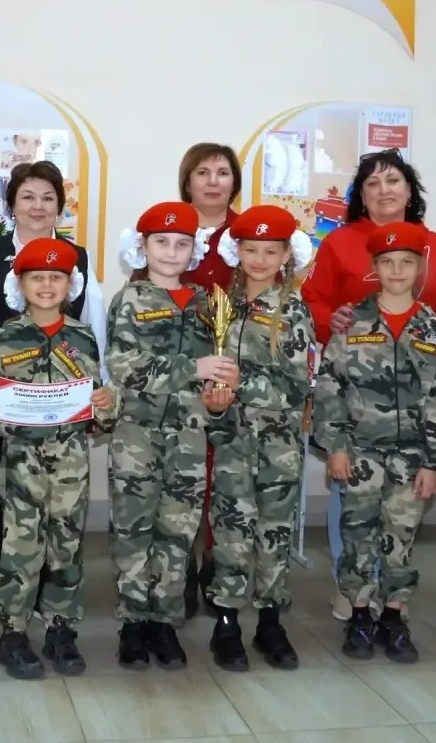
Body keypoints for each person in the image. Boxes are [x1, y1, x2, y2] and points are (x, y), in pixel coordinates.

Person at [300, 147, 436, 621]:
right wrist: (335, 321)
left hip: (416, 405)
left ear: (410, 190)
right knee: (353, 495)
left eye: (393, 180)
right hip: (360, 397)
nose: (384, 190)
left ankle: (392, 591)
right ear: (361, 195)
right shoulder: (340, 242)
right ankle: (351, 585)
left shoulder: (433, 244)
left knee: (402, 504)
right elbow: (314, 299)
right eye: (372, 183)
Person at [0, 238, 118, 680]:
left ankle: (60, 628)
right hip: (21, 461)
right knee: (20, 547)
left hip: (71, 460)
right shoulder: (6, 335)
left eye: (56, 277)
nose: (47, 285)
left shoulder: (83, 337)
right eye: (37, 277)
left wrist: (106, 404)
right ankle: (13, 632)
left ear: (70, 285)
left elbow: (98, 407)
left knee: (66, 546)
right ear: (20, 285)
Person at [313, 222, 436, 664]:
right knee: (357, 535)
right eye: (388, 262)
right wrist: (336, 446)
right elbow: (331, 386)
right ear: (374, 268)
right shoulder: (352, 322)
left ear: (419, 269)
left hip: (412, 458)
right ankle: (359, 614)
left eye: (407, 262)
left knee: (401, 537)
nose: (397, 270)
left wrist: (433, 462)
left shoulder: (433, 328)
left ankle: (394, 616)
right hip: (359, 453)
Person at [0, 161, 108, 580]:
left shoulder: (79, 259)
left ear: (60, 206)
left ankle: (54, 592)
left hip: (65, 407)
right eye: (27, 197)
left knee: (62, 503)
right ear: (11, 205)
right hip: (5, 406)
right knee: (8, 496)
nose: (38, 206)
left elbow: (96, 328)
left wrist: (101, 393)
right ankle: (11, 588)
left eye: (48, 197)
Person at [107, 202, 237, 671]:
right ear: (142, 247)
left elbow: (220, 367)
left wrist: (219, 394)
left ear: (193, 250)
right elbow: (124, 366)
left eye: (182, 243)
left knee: (178, 533)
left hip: (189, 437)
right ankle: (132, 623)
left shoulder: (208, 304)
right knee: (133, 530)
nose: (171, 251)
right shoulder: (130, 299)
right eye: (160, 242)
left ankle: (163, 622)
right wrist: (191, 368)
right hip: (136, 437)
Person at [206, 205, 316, 672]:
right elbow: (206, 371)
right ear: (238, 251)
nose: (259, 259)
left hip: (278, 447)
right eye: (251, 249)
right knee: (230, 533)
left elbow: (297, 387)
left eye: (271, 251)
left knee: (274, 533)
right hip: (232, 443)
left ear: (286, 255)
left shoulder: (293, 311)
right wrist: (213, 400)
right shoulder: (220, 305)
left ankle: (270, 622)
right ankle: (226, 623)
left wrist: (240, 385)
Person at [176, 142, 243, 617]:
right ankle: (178, 566)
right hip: (178, 372)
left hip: (232, 373)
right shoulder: (168, 229)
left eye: (223, 172)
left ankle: (215, 567)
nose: (213, 181)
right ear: (187, 180)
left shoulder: (248, 232)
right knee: (182, 474)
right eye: (203, 172)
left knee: (224, 475)